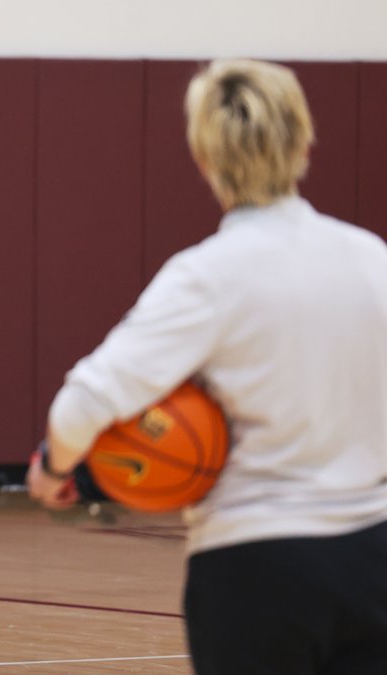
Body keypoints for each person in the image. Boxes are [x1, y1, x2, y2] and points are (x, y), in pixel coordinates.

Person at [28, 59, 387, 674]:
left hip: (256, 570)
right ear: (304, 141)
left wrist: (58, 468)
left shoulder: (208, 276)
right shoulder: (371, 259)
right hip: (374, 560)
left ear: (204, 158)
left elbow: (81, 406)